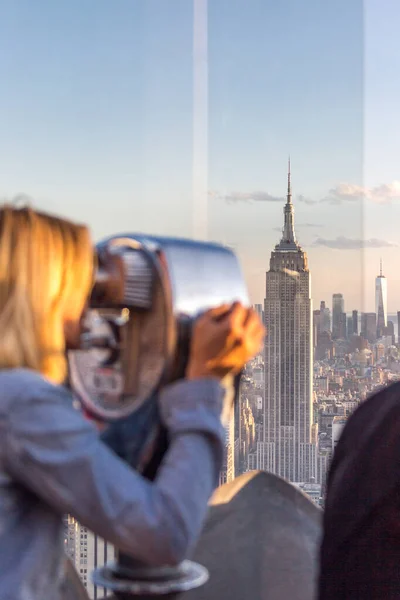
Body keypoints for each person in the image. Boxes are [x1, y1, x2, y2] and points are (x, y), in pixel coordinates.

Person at [0, 205, 264, 600]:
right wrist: (205, 381)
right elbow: (165, 534)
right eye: (83, 278)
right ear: (48, 290)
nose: (93, 298)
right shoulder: (21, 403)